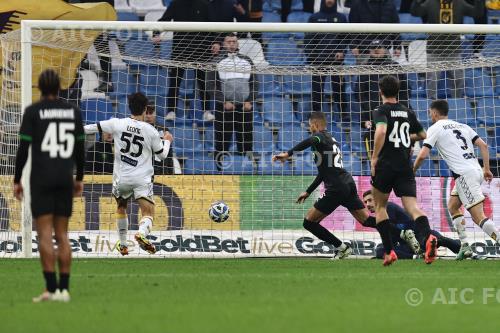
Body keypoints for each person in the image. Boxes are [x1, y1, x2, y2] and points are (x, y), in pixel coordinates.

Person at [14, 69, 85, 302]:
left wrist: (17, 180)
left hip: (41, 178)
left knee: (44, 233)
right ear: (59, 87)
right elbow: (79, 150)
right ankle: (64, 290)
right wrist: (79, 178)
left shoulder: (33, 112)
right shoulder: (73, 112)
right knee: (62, 234)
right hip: (65, 177)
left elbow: (23, 149)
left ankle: (51, 288)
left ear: (39, 87)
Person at [273, 112, 381, 260]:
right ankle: (401, 231)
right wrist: (308, 191)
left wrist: (288, 153)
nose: (310, 129)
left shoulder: (320, 137)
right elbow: (324, 172)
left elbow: (311, 140)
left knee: (309, 222)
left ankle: (342, 248)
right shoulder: (331, 140)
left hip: (336, 188)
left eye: (310, 126)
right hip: (347, 183)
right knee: (367, 221)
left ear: (315, 125)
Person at [84, 93, 173, 255]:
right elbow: (162, 156)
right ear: (146, 110)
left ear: (129, 107)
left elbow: (89, 128)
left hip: (122, 177)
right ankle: (141, 233)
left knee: (121, 207)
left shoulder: (116, 124)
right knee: (148, 211)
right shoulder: (151, 131)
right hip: (141, 178)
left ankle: (123, 244)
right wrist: (167, 140)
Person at [414, 99, 500, 260]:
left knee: (478, 217)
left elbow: (423, 154)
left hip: (464, 174)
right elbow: (484, 146)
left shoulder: (435, 128)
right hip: (475, 170)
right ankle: (465, 246)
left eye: (429, 112)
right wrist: (486, 169)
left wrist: (412, 171)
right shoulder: (463, 126)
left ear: (434, 112)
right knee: (453, 206)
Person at [370, 75, 435, 266]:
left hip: (385, 165)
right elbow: (423, 135)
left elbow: (381, 131)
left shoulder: (380, 110)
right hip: (405, 166)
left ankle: (389, 252)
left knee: (380, 207)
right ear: (397, 91)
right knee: (413, 208)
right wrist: (406, 137)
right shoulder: (407, 111)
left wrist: (374, 157)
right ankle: (428, 237)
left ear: (381, 91)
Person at [410, 0, 485, 99]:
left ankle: (457, 103)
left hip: (454, 50)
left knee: (458, 79)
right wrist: (417, 1)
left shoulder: (459, 2)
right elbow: (416, 12)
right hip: (434, 50)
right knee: (431, 81)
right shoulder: (431, 2)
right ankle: (431, 104)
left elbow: (477, 13)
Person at [155, 0, 215, 122]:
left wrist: (215, 42)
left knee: (203, 82)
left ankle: (207, 111)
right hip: (180, 50)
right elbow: (164, 20)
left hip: (201, 50)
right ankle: (171, 111)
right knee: (174, 82)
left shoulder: (204, 4)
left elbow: (212, 26)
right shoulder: (176, 4)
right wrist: (156, 33)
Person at [362, 190, 461, 259]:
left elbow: (391, 235)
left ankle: (461, 248)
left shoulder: (389, 207)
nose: (367, 204)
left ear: (378, 199)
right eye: (365, 202)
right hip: (411, 244)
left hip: (421, 239)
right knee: (380, 250)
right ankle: (418, 255)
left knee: (381, 251)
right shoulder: (382, 214)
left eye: (370, 200)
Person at [210, 33, 256, 167]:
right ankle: (219, 167)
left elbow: (255, 83)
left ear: (238, 44)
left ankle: (248, 167)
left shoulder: (247, 60)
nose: (231, 44)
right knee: (222, 139)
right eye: (229, 41)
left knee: (246, 138)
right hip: (224, 108)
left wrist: (250, 100)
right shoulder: (216, 61)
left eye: (234, 41)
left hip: (245, 107)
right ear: (224, 44)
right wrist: (224, 101)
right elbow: (211, 85)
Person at [304, 0, 348, 118]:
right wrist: (311, 58)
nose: (329, 1)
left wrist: (342, 51)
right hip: (318, 61)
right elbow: (308, 40)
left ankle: (344, 114)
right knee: (317, 90)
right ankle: (316, 114)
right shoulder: (314, 17)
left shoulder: (341, 18)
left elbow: (345, 38)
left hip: (336, 61)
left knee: (339, 88)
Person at [356, 39, 410, 132]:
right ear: (369, 50)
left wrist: (400, 106)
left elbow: (405, 89)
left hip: (396, 112)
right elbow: (359, 93)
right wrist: (370, 108)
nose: (376, 50)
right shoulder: (364, 68)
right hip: (373, 113)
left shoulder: (395, 66)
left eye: (379, 47)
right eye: (373, 48)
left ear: (385, 49)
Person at [348, 0, 401, 65]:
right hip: (364, 49)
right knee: (364, 74)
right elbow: (352, 26)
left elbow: (395, 26)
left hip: (384, 48)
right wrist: (354, 45)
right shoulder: (356, 3)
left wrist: (397, 46)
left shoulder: (389, 4)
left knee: (385, 73)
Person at [144, 105, 175, 175]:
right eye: (146, 113)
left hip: (162, 171)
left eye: (151, 113)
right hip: (145, 173)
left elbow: (169, 154)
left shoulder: (164, 130)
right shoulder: (139, 130)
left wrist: (170, 173)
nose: (148, 116)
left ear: (155, 114)